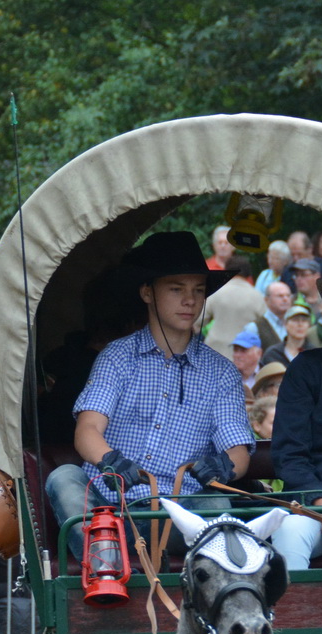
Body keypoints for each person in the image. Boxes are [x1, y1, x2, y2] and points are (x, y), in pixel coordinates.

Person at [44, 232, 254, 562]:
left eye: (198, 290)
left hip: (180, 516)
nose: (190, 300)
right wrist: (112, 461)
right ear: (147, 292)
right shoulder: (116, 357)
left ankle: (120, 563)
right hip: (109, 508)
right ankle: (106, 569)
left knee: (215, 503)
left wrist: (223, 466)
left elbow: (238, 450)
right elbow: (87, 429)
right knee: (63, 478)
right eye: (176, 289)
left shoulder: (222, 373)